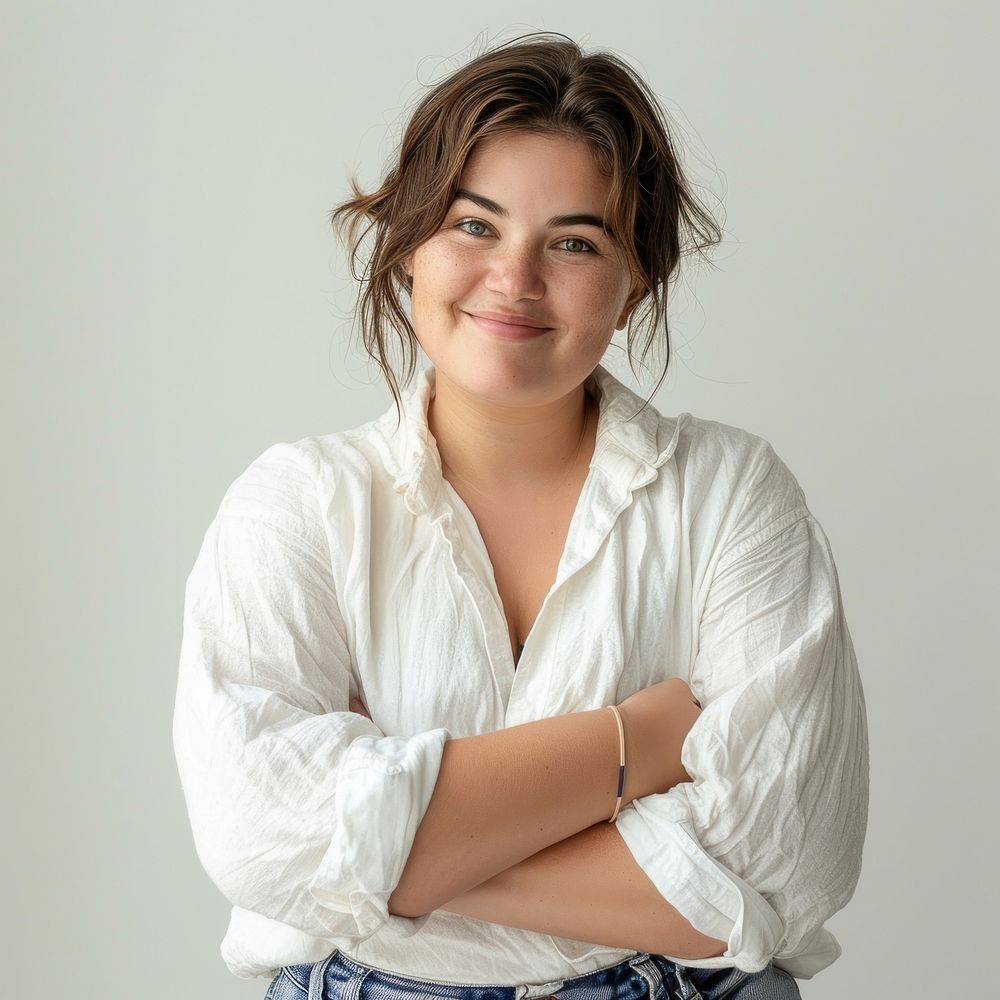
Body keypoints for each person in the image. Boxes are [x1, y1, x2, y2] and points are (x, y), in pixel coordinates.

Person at [172, 32, 869, 1000]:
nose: (515, 277)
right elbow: (258, 835)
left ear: (635, 284)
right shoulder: (298, 501)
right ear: (407, 243)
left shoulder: (730, 492)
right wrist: (637, 742)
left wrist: (389, 852)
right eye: (473, 225)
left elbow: (786, 865)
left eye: (574, 242)